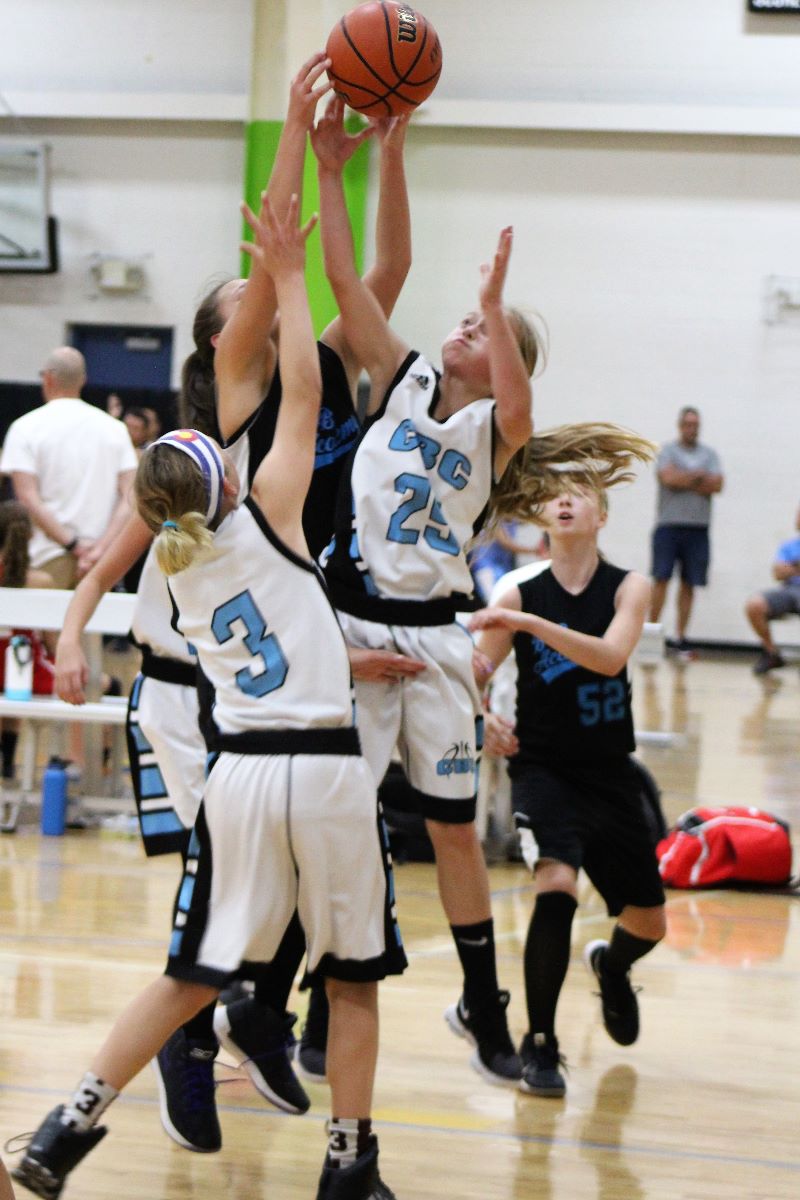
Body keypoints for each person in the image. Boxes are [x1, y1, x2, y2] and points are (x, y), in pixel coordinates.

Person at [12, 195, 406, 1200]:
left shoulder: (183, 573)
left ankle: (65, 1127)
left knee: (188, 971)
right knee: (354, 977)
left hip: (236, 773)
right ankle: (349, 1163)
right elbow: (305, 393)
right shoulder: (273, 517)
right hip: (321, 767)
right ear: (225, 483)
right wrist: (290, 276)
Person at [311, 94, 638, 1088]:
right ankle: (321, 1004)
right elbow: (352, 280)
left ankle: (485, 1008)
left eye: (482, 330)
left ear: (501, 368)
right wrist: (363, 159)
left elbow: (523, 402)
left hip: (437, 639)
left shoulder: (498, 434)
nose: (463, 326)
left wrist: (497, 309)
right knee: (343, 822)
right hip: (356, 624)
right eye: (463, 318)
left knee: (453, 830)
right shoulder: (400, 378)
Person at [185, 54, 422, 1087]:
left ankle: (263, 1020)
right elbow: (275, 238)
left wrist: (369, 157)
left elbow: (387, 272)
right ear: (222, 335)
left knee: (323, 853)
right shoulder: (239, 381)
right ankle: (213, 1023)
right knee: (266, 867)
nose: (266, 283)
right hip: (272, 633)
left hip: (317, 607)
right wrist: (289, 122)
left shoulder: (320, 360)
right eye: (244, 296)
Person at [470, 456, 666, 1098]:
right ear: (541, 515)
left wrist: (526, 625)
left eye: (579, 494)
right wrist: (479, 718)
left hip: (610, 771)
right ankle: (540, 1045)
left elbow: (608, 658)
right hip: (543, 767)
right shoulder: (518, 591)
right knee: (556, 887)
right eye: (555, 495)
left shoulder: (628, 586)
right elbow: (472, 672)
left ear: (600, 516)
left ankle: (612, 967)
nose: (565, 502)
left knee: (649, 922)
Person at [0, 348, 139, 588]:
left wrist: (73, 545)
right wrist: (99, 549)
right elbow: (131, 497)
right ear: (83, 380)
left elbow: (27, 497)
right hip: (99, 562)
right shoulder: (115, 429)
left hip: (45, 556)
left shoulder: (25, 427)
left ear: (47, 378)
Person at [648, 406, 724, 655]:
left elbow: (717, 484)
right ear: (680, 426)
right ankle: (652, 632)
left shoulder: (709, 454)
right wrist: (699, 477)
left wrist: (684, 479)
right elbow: (668, 479)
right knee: (661, 578)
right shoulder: (667, 451)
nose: (692, 429)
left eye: (696, 425)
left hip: (698, 528)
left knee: (689, 582)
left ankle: (680, 637)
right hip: (669, 525)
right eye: (688, 425)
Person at [0, 501, 57, 782]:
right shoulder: (40, 581)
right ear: (30, 535)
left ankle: (7, 762)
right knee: (108, 684)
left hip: (9, 672)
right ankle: (9, 763)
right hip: (27, 676)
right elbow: (52, 644)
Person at [744, 502, 800, 675]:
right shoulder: (788, 546)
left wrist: (792, 567)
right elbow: (778, 573)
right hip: (790, 589)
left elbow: (785, 569)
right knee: (755, 605)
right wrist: (793, 568)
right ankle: (771, 653)